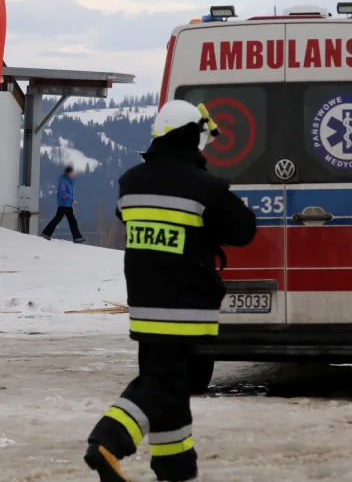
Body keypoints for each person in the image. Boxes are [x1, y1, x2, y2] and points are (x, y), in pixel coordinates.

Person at [84, 101, 256, 482]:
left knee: (170, 387)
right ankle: (108, 441)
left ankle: (175, 468)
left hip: (146, 305)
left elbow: (132, 218)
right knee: (161, 387)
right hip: (187, 306)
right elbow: (244, 230)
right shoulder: (205, 187)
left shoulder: (130, 182)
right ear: (191, 136)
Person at [42, 166, 85, 243]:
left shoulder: (69, 182)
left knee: (69, 221)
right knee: (61, 220)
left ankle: (46, 233)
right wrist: (72, 200)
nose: (73, 174)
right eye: (72, 172)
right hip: (63, 204)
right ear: (68, 173)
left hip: (68, 205)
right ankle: (46, 233)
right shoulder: (63, 181)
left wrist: (71, 202)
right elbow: (62, 193)